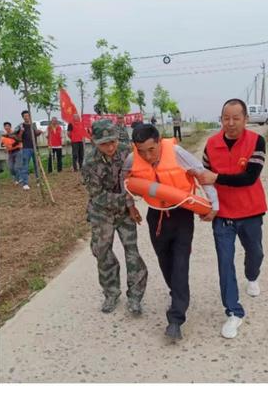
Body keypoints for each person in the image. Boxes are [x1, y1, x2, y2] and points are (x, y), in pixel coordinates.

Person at [123, 123, 218, 341]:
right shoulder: (131, 159)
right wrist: (130, 205)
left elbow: (202, 175)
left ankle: (175, 319)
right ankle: (177, 294)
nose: (147, 155)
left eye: (151, 149)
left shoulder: (176, 153)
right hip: (156, 216)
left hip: (181, 213)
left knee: (181, 263)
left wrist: (214, 206)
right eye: (141, 151)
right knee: (165, 262)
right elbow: (125, 181)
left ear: (159, 142)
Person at [202, 99, 267, 339]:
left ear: (245, 119)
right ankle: (233, 311)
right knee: (225, 262)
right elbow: (204, 180)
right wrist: (209, 206)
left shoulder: (256, 141)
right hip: (223, 215)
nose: (230, 123)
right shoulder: (211, 145)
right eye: (225, 118)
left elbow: (249, 177)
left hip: (250, 211)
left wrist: (216, 178)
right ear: (221, 119)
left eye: (235, 118)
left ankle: (252, 276)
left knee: (256, 253)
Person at [82, 119, 148, 315]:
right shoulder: (89, 162)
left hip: (124, 212)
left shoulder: (127, 152)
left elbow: (137, 178)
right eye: (104, 144)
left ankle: (135, 296)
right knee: (102, 252)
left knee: (132, 252)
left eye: (112, 142)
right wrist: (127, 201)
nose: (110, 147)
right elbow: (98, 196)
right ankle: (111, 292)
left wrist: (131, 203)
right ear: (94, 142)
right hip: (101, 212)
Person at [15, 110, 42, 190]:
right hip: (26, 148)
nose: (27, 117)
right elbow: (18, 138)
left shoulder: (33, 125)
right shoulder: (21, 126)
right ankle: (25, 183)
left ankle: (38, 181)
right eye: (25, 116)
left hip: (34, 147)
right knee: (25, 166)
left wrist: (39, 132)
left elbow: (36, 134)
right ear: (23, 117)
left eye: (28, 115)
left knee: (37, 165)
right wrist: (21, 132)